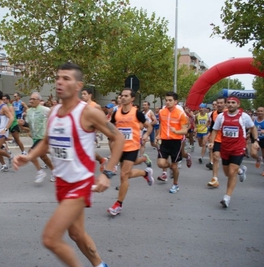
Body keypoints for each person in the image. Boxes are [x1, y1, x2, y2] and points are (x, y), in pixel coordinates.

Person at [14, 63, 124, 267]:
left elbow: (118, 138)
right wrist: (29, 157)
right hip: (62, 183)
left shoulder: (88, 113)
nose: (59, 82)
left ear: (78, 86)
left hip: (80, 183)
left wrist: (107, 172)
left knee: (50, 238)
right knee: (76, 234)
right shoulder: (54, 112)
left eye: (66, 78)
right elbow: (47, 142)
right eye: (58, 78)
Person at [108, 88, 154, 216]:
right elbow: (110, 127)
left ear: (132, 98)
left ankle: (118, 204)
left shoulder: (137, 113)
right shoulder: (116, 113)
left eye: (126, 96)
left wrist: (146, 136)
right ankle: (145, 172)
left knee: (123, 175)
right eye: (122, 95)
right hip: (120, 147)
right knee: (126, 174)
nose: (123, 97)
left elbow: (149, 126)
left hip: (132, 146)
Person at [208, 96, 258, 208]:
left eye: (233, 102)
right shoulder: (221, 117)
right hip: (225, 148)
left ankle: (227, 197)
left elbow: (253, 128)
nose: (230, 104)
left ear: (238, 105)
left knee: (231, 172)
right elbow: (215, 130)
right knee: (227, 173)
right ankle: (241, 170)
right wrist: (212, 142)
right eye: (229, 102)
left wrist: (255, 141)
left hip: (238, 148)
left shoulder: (244, 116)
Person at [18, 92, 55, 183]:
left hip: (43, 137)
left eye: (33, 99)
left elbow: (54, 119)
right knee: (43, 156)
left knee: (31, 153)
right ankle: (55, 171)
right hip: (35, 137)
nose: (30, 100)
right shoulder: (28, 111)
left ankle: (40, 172)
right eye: (30, 99)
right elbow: (29, 124)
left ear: (38, 100)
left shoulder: (45, 110)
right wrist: (23, 123)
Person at [156, 92, 189, 193]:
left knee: (175, 166)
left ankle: (175, 185)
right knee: (161, 163)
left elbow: (185, 130)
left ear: (175, 101)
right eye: (166, 100)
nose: (168, 102)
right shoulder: (162, 112)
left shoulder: (181, 114)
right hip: (164, 141)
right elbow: (162, 124)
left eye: (170, 100)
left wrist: (176, 131)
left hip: (176, 142)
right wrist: (158, 135)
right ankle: (172, 168)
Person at [0, 90, 14, 172]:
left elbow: (11, 118)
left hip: (1, 131)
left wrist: (5, 129)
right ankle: (4, 165)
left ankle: (10, 156)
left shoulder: (3, 107)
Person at [206, 97, 226, 187]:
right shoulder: (213, 114)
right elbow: (213, 127)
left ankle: (240, 170)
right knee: (216, 157)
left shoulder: (229, 113)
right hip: (218, 139)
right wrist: (210, 138)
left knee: (229, 163)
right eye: (218, 103)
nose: (219, 104)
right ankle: (215, 179)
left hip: (228, 140)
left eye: (221, 103)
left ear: (225, 104)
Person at [251, 106, 264, 175]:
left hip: (263, 139)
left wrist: (263, 131)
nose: (260, 112)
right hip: (256, 138)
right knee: (253, 153)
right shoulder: (254, 119)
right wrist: (248, 134)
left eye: (261, 111)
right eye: (258, 111)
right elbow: (251, 128)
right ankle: (258, 158)